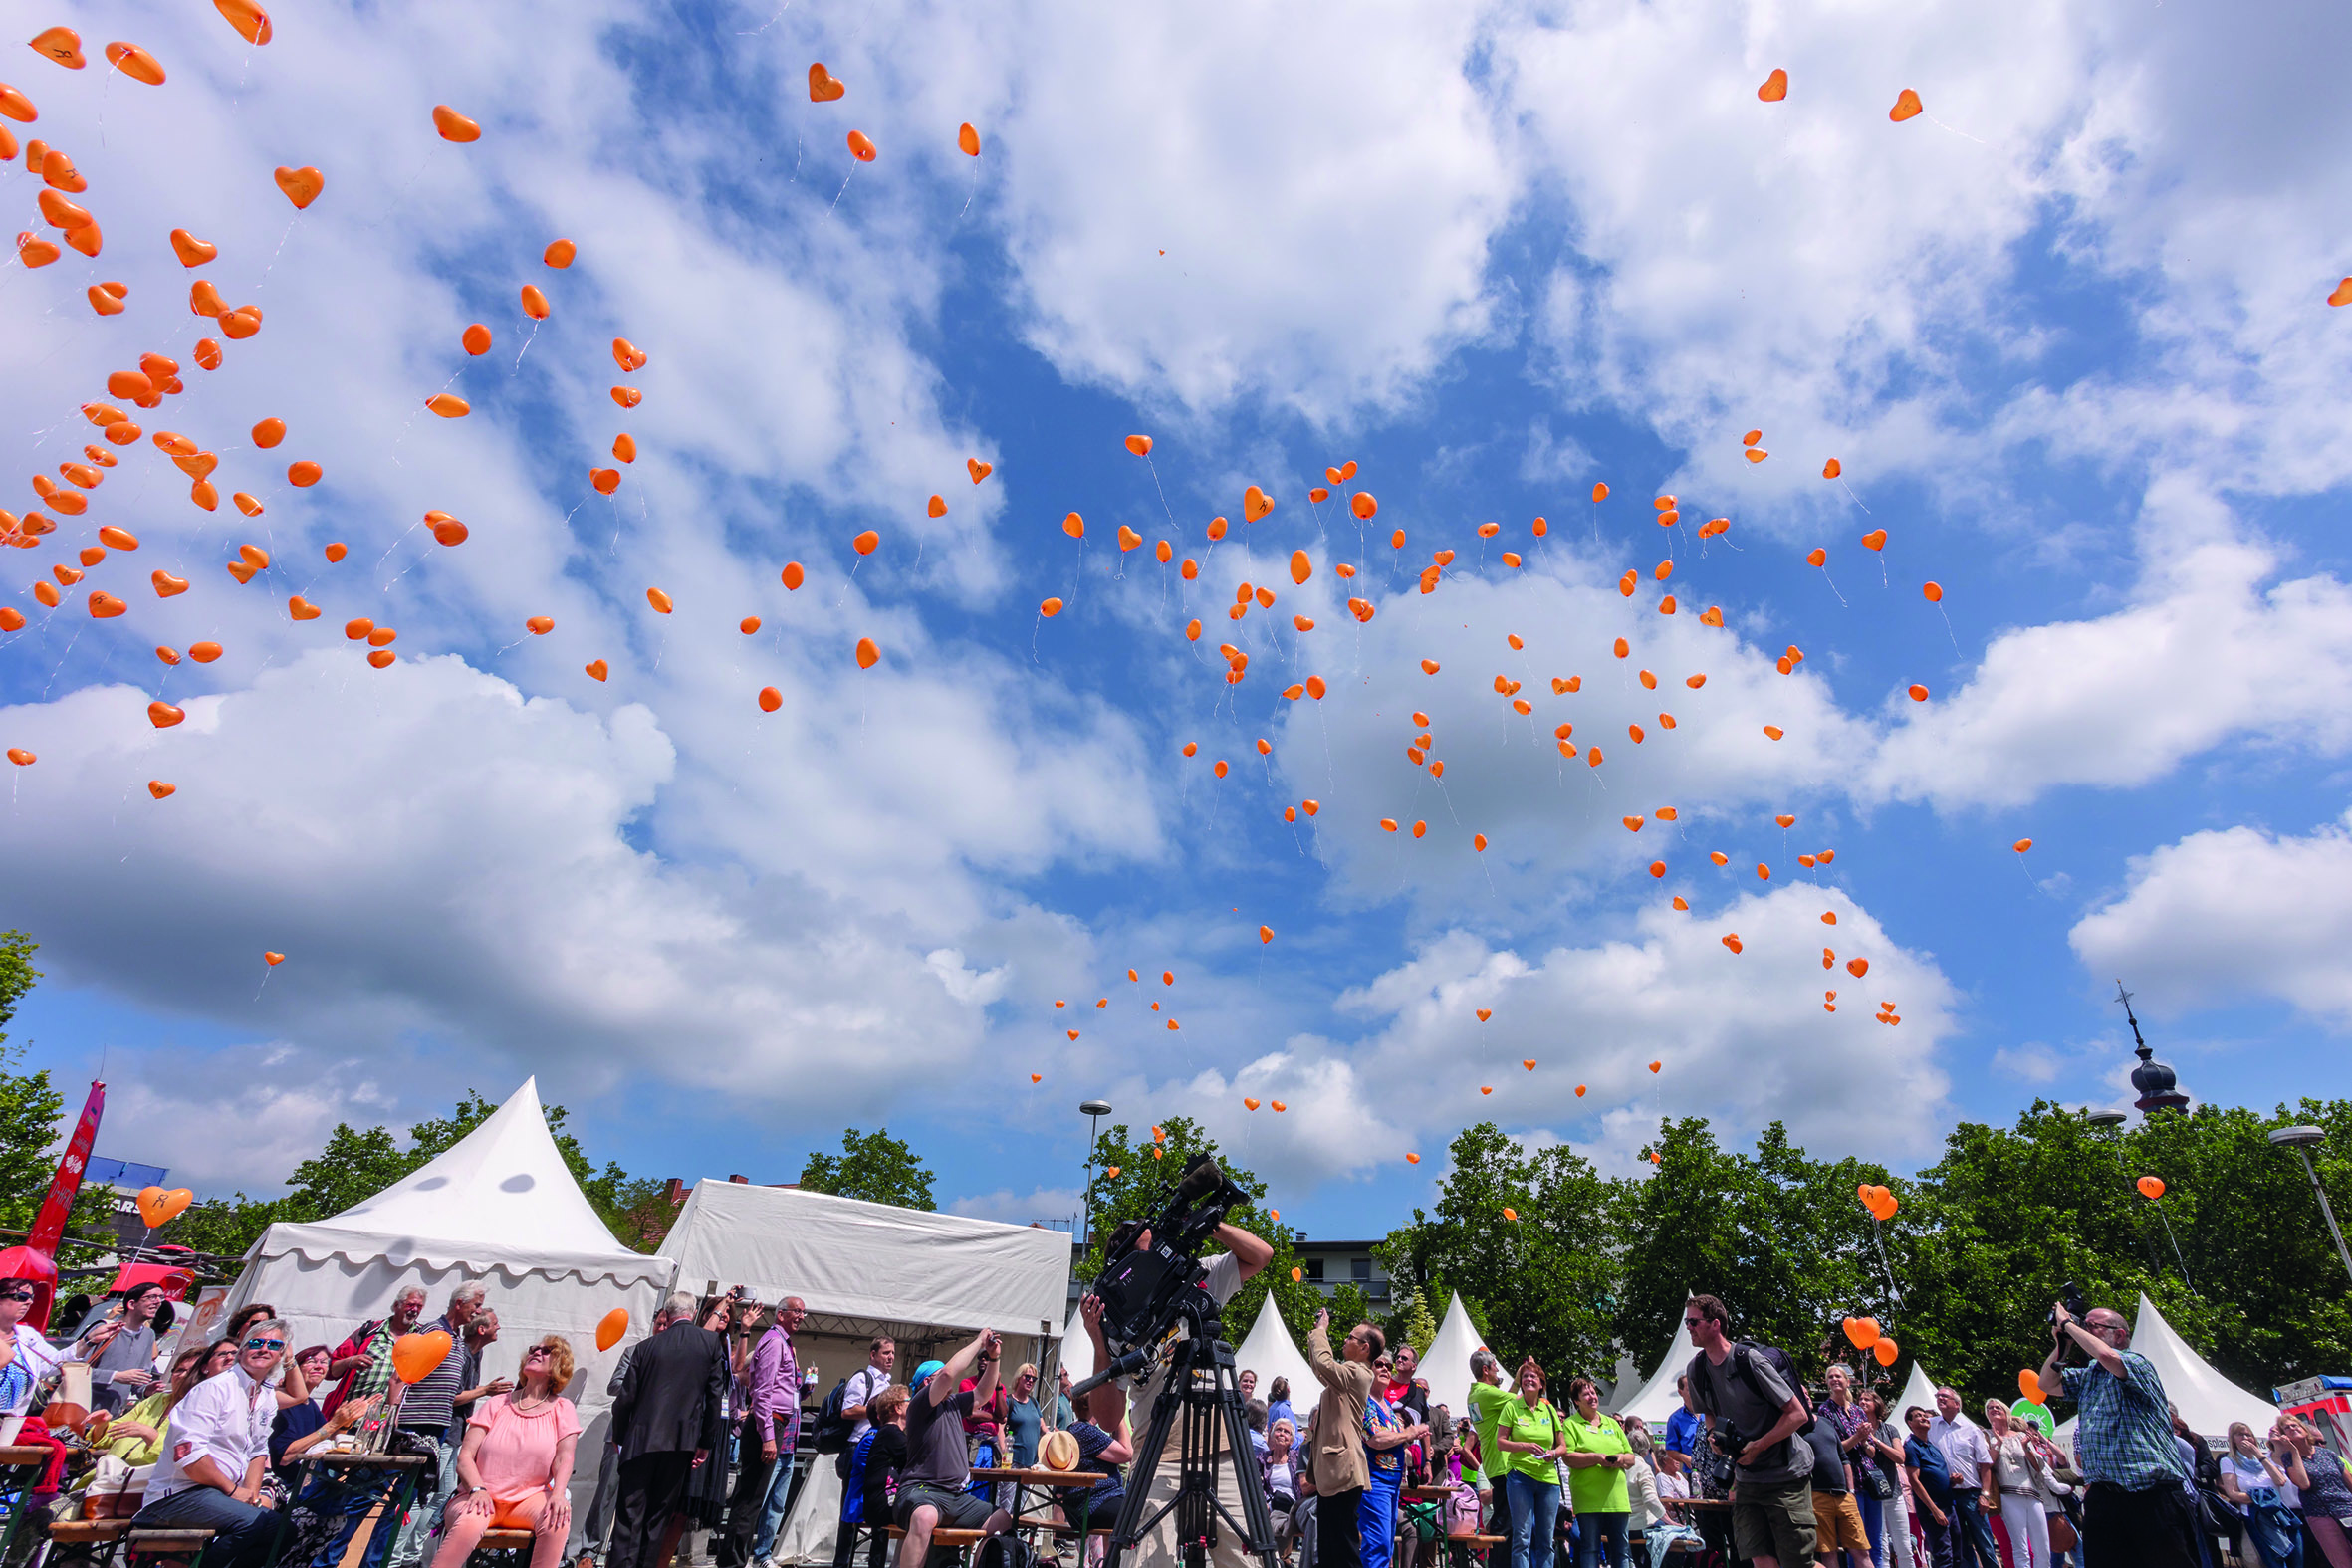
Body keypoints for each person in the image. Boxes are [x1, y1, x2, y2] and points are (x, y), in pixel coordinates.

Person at [1088, 1206, 1274, 1568]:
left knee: (1243, 1558)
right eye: (1144, 1256)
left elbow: (1261, 1255)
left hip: (1221, 1450)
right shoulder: (1117, 1322)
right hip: (1158, 1455)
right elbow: (1109, 1418)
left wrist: (1207, 1223)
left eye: (1157, 1247)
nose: (1155, 1260)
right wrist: (1099, 1345)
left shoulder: (1194, 1275)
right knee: (1145, 1560)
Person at [2035, 1297, 2196, 1566]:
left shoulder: (2138, 1363)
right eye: (2082, 1325)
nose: (2083, 1329)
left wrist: (2067, 1323)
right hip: (2103, 1496)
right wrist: (2062, 1344)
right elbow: (2046, 1384)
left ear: (2119, 1335)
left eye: (2092, 1326)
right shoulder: (2090, 1374)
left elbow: (2108, 1356)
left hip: (2151, 1494)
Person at [130, 1316, 290, 1568]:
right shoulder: (214, 1388)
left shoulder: (266, 1395)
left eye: (273, 1345)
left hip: (218, 1495)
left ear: (281, 1354)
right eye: (256, 1342)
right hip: (176, 1496)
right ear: (243, 1350)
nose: (263, 1348)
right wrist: (234, 1491)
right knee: (251, 1523)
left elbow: (258, 1451)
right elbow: (189, 1457)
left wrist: (252, 1495)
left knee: (283, 1531)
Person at [1682, 1295, 1813, 1568]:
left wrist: (1759, 1445)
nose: (1688, 1327)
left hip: (1785, 1474)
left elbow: (1798, 1414)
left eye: (1694, 1321)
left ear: (1715, 1324)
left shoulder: (1748, 1360)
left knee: (1798, 1564)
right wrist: (1714, 1437)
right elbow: (1708, 1412)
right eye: (1687, 1322)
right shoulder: (1696, 1369)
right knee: (1760, 1559)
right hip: (1746, 1480)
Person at [431, 1336, 583, 1568]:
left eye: (547, 1350)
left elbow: (564, 1457)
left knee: (557, 1518)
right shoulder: (497, 1403)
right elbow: (465, 1456)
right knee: (472, 1520)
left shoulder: (563, 1408)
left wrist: (559, 1494)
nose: (536, 1352)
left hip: (527, 1501)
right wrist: (477, 1489)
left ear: (559, 1365)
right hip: (478, 1496)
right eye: (534, 1348)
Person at [607, 1290, 731, 1568]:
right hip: (681, 1442)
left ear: (668, 1313)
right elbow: (714, 1396)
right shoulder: (709, 1342)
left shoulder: (645, 1347)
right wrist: (706, 1442)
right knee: (658, 1517)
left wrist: (619, 1436)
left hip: (640, 1440)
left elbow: (624, 1399)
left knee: (629, 1516)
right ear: (693, 1312)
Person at [388, 1282, 491, 1568]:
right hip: (418, 1427)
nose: (479, 1312)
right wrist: (393, 1415)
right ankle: (393, 1560)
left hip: (441, 1427)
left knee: (430, 1493)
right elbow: (401, 1375)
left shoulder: (456, 1339)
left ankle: (408, 1558)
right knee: (410, 1496)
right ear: (459, 1303)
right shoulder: (434, 1331)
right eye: (476, 1306)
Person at [895, 1328, 1013, 1566]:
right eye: (937, 1377)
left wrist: (994, 1358)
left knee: (1002, 1519)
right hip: (920, 1491)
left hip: (954, 1497)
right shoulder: (920, 1404)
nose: (947, 1381)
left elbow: (982, 1393)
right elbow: (949, 1374)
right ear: (928, 1382)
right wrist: (979, 1342)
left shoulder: (953, 1404)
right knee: (924, 1516)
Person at [721, 1293, 804, 1568]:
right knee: (750, 1497)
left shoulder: (783, 1344)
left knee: (753, 1498)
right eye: (796, 1311)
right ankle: (732, 1561)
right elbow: (763, 1392)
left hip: (775, 1422)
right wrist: (768, 1435)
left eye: (804, 1313)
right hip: (765, 1424)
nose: (801, 1317)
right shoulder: (773, 1341)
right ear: (781, 1314)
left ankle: (733, 1559)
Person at [1308, 1308, 1377, 1568]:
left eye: (1351, 1338)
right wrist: (1316, 1334)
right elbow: (1321, 1368)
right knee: (1330, 1549)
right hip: (1335, 1473)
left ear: (1364, 1348)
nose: (1346, 1340)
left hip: (1344, 1473)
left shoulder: (1358, 1373)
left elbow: (1326, 1365)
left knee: (1343, 1549)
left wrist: (1321, 1330)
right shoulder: (1345, 1377)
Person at [832, 1338, 900, 1568]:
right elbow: (848, 1410)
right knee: (851, 1513)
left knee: (882, 1508)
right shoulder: (863, 1378)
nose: (890, 1357)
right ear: (873, 1355)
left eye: (893, 1353)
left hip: (881, 1450)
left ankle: (877, 1563)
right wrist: (882, 1409)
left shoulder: (889, 1383)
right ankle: (842, 1563)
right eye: (886, 1353)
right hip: (858, 1447)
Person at [1495, 1358, 1565, 1568]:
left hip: (1548, 1479)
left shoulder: (1550, 1409)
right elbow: (1500, 1442)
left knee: (1546, 1540)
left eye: (1533, 1376)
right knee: (1522, 1538)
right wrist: (1524, 1445)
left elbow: (1563, 1446)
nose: (1528, 1379)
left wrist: (1552, 1453)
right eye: (1524, 1376)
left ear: (1541, 1384)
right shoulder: (1511, 1406)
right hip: (1520, 1477)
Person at [1558, 1376, 1633, 1568]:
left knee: (1621, 1552)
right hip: (1588, 1500)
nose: (1592, 1396)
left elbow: (1630, 1457)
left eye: (1593, 1392)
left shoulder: (1612, 1424)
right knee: (1590, 1549)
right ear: (1577, 1401)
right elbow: (1569, 1457)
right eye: (1586, 1394)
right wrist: (1597, 1458)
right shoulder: (1571, 1424)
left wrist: (1619, 1460)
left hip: (1616, 1500)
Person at [324, 1284, 429, 1416]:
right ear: (397, 1305)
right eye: (410, 1305)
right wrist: (350, 1361)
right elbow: (331, 1371)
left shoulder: (421, 1337)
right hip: (351, 1414)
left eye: (419, 1307)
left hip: (386, 1419)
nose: (414, 1310)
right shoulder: (370, 1331)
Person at [1360, 1361, 1426, 1568]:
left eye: (1389, 1366)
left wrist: (1411, 1435)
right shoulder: (1365, 1403)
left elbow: (1397, 1437)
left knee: (1386, 1545)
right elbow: (1375, 1438)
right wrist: (1408, 1433)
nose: (1386, 1369)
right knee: (1377, 1544)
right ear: (1367, 1370)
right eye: (1379, 1364)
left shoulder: (1387, 1406)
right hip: (1374, 1482)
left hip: (1392, 1484)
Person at [1927, 1389, 1997, 1568]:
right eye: (1938, 1396)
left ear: (1956, 1403)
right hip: (1947, 1495)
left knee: (1984, 1543)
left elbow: (1985, 1465)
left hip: (1971, 1495)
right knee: (1959, 1544)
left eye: (1944, 1396)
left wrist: (1985, 1495)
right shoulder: (1931, 1426)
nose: (1939, 1398)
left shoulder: (1971, 1429)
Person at [2219, 1421, 2300, 1568]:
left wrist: (2258, 1454)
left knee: (2297, 1559)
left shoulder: (2264, 1459)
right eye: (2240, 1434)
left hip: (2280, 1513)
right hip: (2256, 1516)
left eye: (2248, 1434)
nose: (2245, 1437)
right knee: (2275, 1561)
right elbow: (2233, 1494)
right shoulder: (2228, 1461)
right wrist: (2261, 1498)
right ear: (2232, 1439)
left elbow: (2281, 1481)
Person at [76, 1282, 167, 1416]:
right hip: (78, 1414)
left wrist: (147, 1389)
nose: (158, 1302)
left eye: (161, 1297)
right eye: (152, 1297)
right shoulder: (104, 1328)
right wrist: (116, 1376)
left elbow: (139, 1382)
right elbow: (74, 1369)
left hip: (110, 1418)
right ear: (131, 1304)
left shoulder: (148, 1336)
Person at [843, 1385, 909, 1568]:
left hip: (883, 1498)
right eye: (908, 1400)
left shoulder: (885, 1435)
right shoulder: (876, 1437)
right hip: (863, 1502)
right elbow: (870, 1470)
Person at [1803, 1394, 1869, 1568]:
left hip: (1844, 1496)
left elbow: (1843, 1457)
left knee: (1861, 1551)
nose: (1806, 1396)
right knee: (1828, 1552)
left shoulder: (1825, 1422)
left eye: (1806, 1393)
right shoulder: (1793, 1426)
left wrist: (1851, 1491)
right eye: (1800, 1393)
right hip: (1817, 1495)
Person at [1985, 1399, 2049, 1568]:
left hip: (2032, 1492)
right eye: (1990, 1408)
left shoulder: (2021, 1435)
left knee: (2043, 1549)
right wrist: (1997, 1444)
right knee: (2020, 1549)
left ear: (2006, 1412)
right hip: (2008, 1495)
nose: (1994, 1409)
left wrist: (2026, 1447)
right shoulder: (1986, 1435)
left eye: (1997, 1407)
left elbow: (2038, 1467)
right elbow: (1987, 1464)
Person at [2279, 1417, 2352, 1568]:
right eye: (2287, 1427)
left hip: (2347, 1508)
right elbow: (2303, 1484)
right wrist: (2294, 1451)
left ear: (2305, 1429)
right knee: (2342, 1561)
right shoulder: (2289, 1458)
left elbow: (2349, 1482)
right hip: (2320, 1515)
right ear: (2283, 1435)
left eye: (2295, 1425)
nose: (2292, 1428)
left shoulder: (2328, 1454)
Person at [1862, 1391, 1916, 1568]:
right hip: (1872, 1495)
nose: (1862, 1401)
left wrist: (1876, 1441)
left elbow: (1900, 1458)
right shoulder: (1858, 1428)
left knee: (1904, 1545)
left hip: (1893, 1493)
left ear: (1877, 1403)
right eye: (1860, 1399)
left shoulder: (1889, 1429)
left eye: (1866, 1399)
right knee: (1881, 1547)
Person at [270, 1346, 337, 1480]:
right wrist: (333, 1424)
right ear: (295, 1368)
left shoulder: (310, 1404)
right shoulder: (281, 1403)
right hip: (283, 1484)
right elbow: (285, 1457)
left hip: (306, 1480)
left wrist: (346, 1421)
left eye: (324, 1362)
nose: (318, 1366)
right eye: (311, 1361)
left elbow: (325, 1439)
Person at [0, 1275, 63, 1416]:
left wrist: (89, 1341)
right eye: (21, 1297)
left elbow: (55, 1362)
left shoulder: (27, 1335)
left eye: (31, 1297)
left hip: (10, 1421)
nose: (29, 1302)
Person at [1903, 1407, 1955, 1568]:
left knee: (1958, 1551)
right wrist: (1934, 1510)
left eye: (1925, 1415)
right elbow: (1914, 1481)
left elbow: (1935, 1477)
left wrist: (1952, 1481)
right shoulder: (1911, 1446)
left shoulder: (1933, 1446)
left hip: (1949, 1506)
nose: (1925, 1418)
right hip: (1932, 1510)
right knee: (1943, 1555)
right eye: (1919, 1416)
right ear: (1910, 1423)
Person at [1007, 1362, 1044, 1468]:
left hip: (1031, 1462)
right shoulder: (1009, 1401)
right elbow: (1000, 1428)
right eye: (1027, 1377)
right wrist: (1004, 1451)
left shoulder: (1033, 1402)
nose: (1030, 1380)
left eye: (1034, 1378)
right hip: (1012, 1461)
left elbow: (1043, 1427)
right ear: (1018, 1378)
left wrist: (1056, 1436)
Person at [1659, 1378, 1703, 1462]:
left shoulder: (1709, 1412)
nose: (1694, 1391)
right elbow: (1670, 1450)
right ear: (1680, 1392)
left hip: (1716, 1468)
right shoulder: (1675, 1419)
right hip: (1694, 1471)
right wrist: (1685, 1458)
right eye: (1689, 1389)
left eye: (1695, 1387)